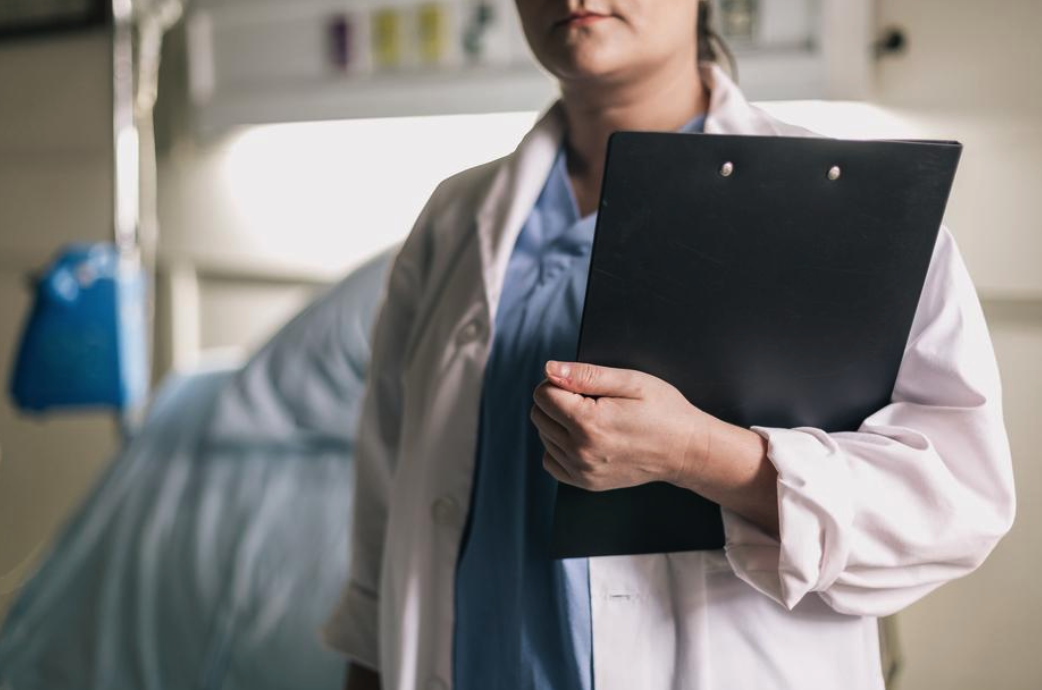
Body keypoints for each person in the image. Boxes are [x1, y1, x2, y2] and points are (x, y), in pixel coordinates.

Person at [322, 1, 1016, 689]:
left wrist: (698, 454)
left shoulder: (851, 205)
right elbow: (387, 494)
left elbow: (957, 501)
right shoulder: (454, 217)